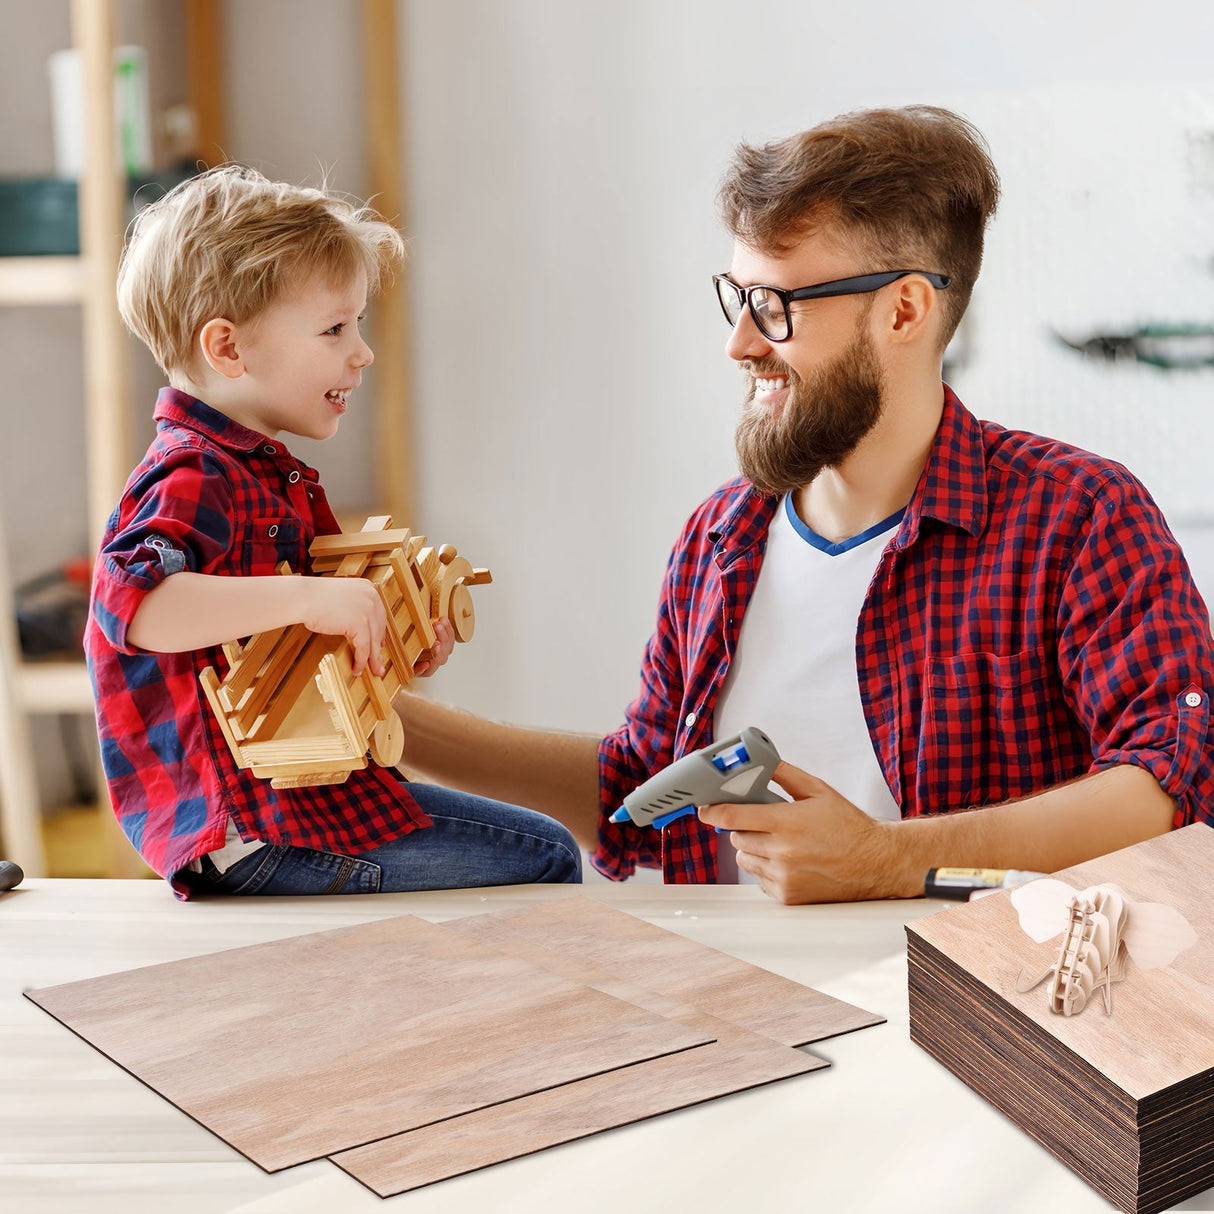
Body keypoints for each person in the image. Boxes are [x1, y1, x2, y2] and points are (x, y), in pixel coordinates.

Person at [393, 104, 1214, 904]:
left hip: (957, 996)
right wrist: (392, 721)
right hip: (729, 995)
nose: (740, 343)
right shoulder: (719, 536)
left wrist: (887, 860)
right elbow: (645, 795)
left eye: (776, 306)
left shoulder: (1078, 517)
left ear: (903, 310)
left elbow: (1167, 786)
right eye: (737, 297)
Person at [84, 165, 581, 899]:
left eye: (358, 325)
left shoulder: (264, 474)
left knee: (540, 848)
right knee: (547, 855)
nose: (362, 352)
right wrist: (309, 598)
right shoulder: (193, 473)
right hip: (253, 828)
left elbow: (299, 653)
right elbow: (134, 608)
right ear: (228, 349)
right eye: (334, 329)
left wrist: (389, 644)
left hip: (301, 806)